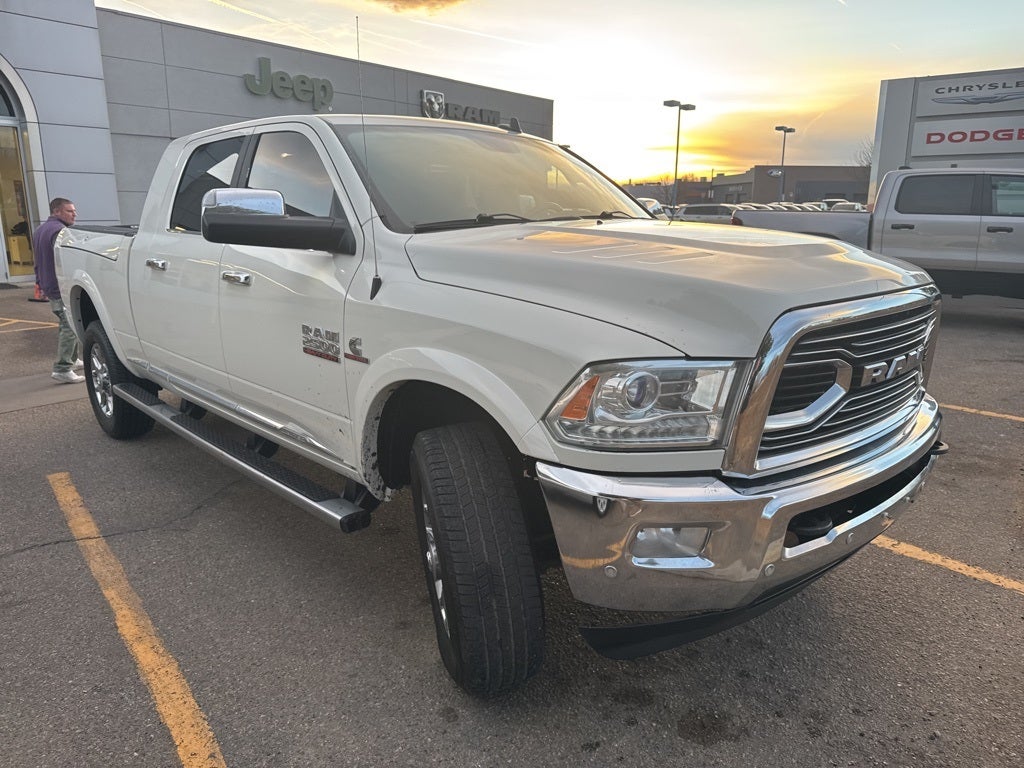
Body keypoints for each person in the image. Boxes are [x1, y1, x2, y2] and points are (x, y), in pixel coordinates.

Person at [32, 197, 84, 383]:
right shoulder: (60, 232)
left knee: (67, 323)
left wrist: (39, 283)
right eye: (70, 211)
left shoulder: (40, 230)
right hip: (60, 286)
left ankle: (71, 359)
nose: (74, 214)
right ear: (57, 212)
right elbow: (65, 260)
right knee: (69, 326)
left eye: (74, 210)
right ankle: (62, 368)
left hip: (49, 284)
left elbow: (37, 260)